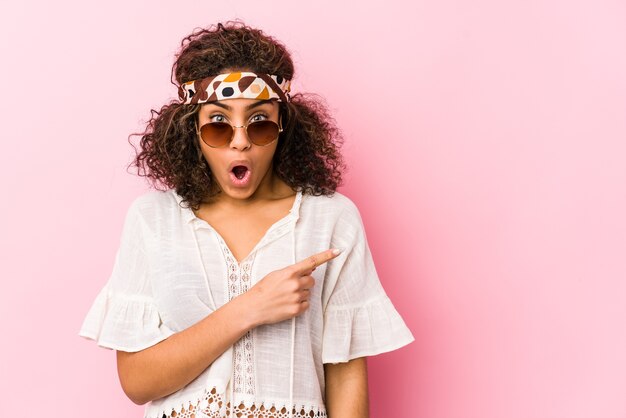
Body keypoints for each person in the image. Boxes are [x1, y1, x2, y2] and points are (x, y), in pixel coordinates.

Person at [78, 20, 414, 418]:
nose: (240, 140)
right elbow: (137, 381)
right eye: (219, 125)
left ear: (284, 126)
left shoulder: (331, 220)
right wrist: (250, 307)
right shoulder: (154, 220)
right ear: (193, 130)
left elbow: (346, 376)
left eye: (260, 123)